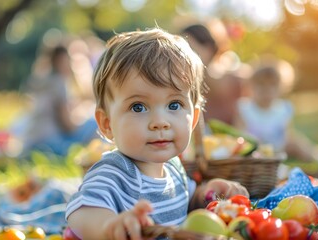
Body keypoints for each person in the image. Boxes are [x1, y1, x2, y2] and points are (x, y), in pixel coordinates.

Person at [65, 27, 249, 240]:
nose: (160, 122)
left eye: (174, 104)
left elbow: (185, 200)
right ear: (107, 124)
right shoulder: (114, 173)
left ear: (194, 119)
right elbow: (82, 211)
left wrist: (206, 194)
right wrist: (109, 227)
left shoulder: (173, 167)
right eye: (138, 107)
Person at [234, 58, 318, 166]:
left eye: (272, 85)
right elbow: (240, 134)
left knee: (297, 143)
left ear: (281, 87)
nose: (267, 90)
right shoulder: (245, 108)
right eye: (261, 85)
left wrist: (284, 146)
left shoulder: (282, 109)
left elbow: (287, 133)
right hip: (255, 149)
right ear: (251, 86)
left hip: (279, 147)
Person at [12, 44, 99, 157]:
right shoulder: (59, 83)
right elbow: (68, 126)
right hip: (48, 143)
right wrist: (83, 120)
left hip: (31, 141)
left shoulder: (41, 80)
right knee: (95, 123)